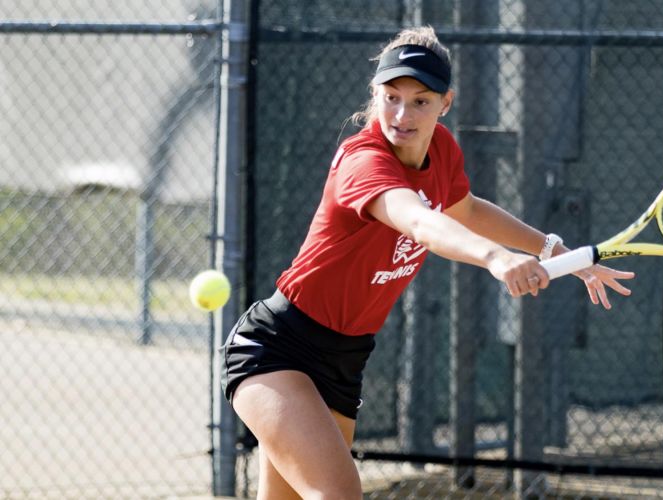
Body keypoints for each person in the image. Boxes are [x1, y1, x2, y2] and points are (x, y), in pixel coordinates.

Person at [221, 26, 635, 500]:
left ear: (446, 103)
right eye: (392, 96)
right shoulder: (363, 161)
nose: (402, 113)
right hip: (277, 349)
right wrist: (498, 258)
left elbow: (469, 210)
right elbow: (420, 221)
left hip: (344, 360)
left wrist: (553, 252)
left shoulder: (442, 151)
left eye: (421, 100)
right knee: (337, 495)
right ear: (375, 95)